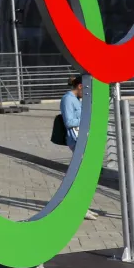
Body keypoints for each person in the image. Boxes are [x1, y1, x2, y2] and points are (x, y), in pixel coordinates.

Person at [58, 74, 97, 220]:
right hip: (76, 140)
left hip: (82, 139)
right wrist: (87, 117)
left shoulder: (76, 99)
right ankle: (79, 207)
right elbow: (69, 121)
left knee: (82, 174)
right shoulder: (68, 99)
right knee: (79, 174)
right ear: (81, 86)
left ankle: (82, 206)